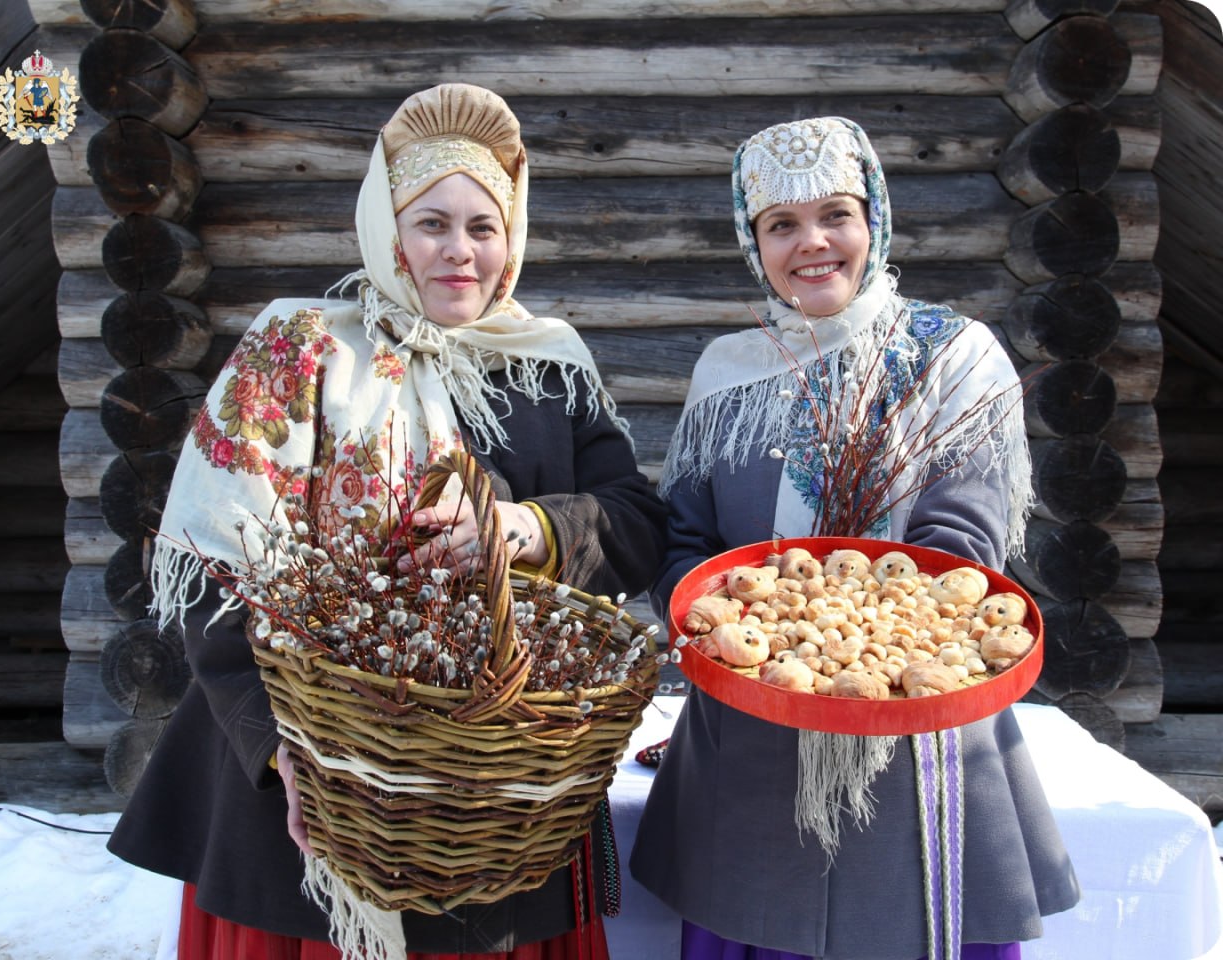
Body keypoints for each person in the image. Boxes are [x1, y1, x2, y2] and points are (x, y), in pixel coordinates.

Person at [106, 82, 666, 960]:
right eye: (431, 223)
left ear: (510, 240)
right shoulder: (301, 350)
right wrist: (278, 747)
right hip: (312, 776)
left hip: (499, 785)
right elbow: (218, 567)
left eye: (484, 228)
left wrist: (525, 529)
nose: (460, 252)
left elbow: (635, 525)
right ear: (387, 229)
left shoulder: (550, 366)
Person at [628, 117, 1081, 960]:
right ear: (750, 239)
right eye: (780, 225)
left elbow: (961, 550)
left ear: (873, 216)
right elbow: (683, 537)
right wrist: (708, 621)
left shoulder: (952, 359)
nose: (813, 243)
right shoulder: (729, 373)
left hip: (914, 746)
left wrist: (850, 653)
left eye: (835, 213)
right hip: (752, 741)